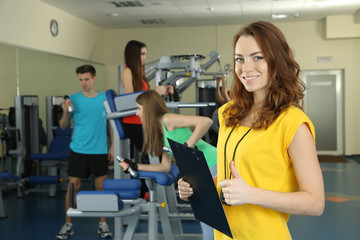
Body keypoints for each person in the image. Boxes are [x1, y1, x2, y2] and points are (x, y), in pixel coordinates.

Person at [178, 21, 325, 240]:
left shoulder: (292, 123)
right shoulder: (228, 113)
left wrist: (251, 194)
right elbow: (232, 174)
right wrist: (197, 186)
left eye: (258, 57)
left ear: (277, 60)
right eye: (240, 59)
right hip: (224, 234)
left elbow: (315, 203)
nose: (246, 68)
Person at [119, 90, 217, 240]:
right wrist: (136, 166)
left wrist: (187, 146)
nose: (137, 113)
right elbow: (165, 166)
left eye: (139, 108)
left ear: (149, 108)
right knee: (208, 218)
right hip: (198, 169)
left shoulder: (168, 119)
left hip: (211, 162)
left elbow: (205, 121)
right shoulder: (161, 131)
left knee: (209, 218)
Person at [56, 64, 114, 240]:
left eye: (86, 79)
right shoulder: (72, 99)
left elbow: (111, 124)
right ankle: (68, 224)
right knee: (73, 186)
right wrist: (66, 112)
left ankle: (103, 224)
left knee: (101, 187)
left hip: (99, 150)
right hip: (79, 149)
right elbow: (63, 126)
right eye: (80, 80)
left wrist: (112, 147)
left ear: (94, 78)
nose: (83, 83)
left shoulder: (104, 99)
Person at [121, 40, 173, 164]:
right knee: (155, 156)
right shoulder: (127, 71)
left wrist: (162, 91)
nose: (144, 57)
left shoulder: (138, 74)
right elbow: (132, 100)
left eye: (145, 54)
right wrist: (155, 92)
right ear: (133, 55)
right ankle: (150, 182)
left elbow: (145, 96)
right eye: (142, 54)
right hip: (133, 122)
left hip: (143, 120)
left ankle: (155, 181)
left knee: (162, 153)